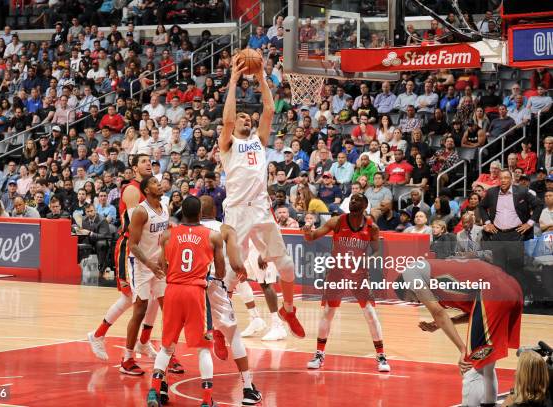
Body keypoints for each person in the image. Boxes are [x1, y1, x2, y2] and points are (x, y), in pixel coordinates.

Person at [218, 54, 304, 338]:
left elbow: (268, 108)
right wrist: (233, 81)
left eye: (246, 116)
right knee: (231, 276)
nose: (244, 118)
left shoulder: (259, 141)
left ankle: (288, 311)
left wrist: (261, 77)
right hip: (237, 212)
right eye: (241, 116)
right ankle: (219, 328)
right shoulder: (228, 144)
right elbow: (228, 118)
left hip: (260, 209)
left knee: (287, 266)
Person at [395, 258, 523, 407]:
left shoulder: (409, 273)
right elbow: (476, 314)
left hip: (493, 289)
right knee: (486, 363)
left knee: (469, 364)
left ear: (407, 287)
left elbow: (438, 312)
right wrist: (439, 325)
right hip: (510, 287)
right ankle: (489, 403)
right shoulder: (442, 284)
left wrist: (462, 349)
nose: (418, 302)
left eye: (414, 299)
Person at [87, 156, 170, 371]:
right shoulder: (133, 190)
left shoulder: (158, 199)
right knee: (131, 298)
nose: (148, 164)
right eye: (143, 161)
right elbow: (136, 230)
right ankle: (99, 335)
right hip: (131, 249)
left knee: (152, 298)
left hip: (151, 250)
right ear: (134, 168)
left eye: (150, 161)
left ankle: (143, 342)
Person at [146, 196, 225, 407]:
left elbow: (161, 265)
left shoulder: (167, 235)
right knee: (203, 348)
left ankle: (153, 391)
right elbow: (222, 271)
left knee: (166, 347)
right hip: (195, 292)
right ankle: (207, 400)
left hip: (173, 290)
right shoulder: (214, 236)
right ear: (201, 214)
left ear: (182, 212)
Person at [303, 193, 391, 372]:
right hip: (337, 272)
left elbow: (376, 251)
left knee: (370, 314)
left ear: (365, 205)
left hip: (359, 274)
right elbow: (311, 237)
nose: (353, 201)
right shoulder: (337, 221)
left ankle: (381, 356)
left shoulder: (371, 227)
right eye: (351, 199)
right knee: (328, 312)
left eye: (357, 199)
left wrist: (369, 260)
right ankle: (319, 354)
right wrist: (306, 230)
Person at [199, 196, 263, 405]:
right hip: (216, 285)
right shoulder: (225, 229)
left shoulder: (184, 229)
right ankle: (247, 388)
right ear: (216, 210)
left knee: (172, 340)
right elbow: (235, 260)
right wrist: (240, 269)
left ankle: (159, 387)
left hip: (189, 287)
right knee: (234, 335)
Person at [479, 169, 543, 297]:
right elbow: (481, 206)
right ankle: (501, 296)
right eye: (501, 178)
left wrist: (529, 223)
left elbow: (539, 205)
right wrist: (487, 223)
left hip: (516, 234)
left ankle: (521, 296)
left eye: (506, 178)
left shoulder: (522, 191)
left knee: (516, 268)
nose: (503, 180)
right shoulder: (492, 192)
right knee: (498, 268)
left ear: (511, 179)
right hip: (497, 234)